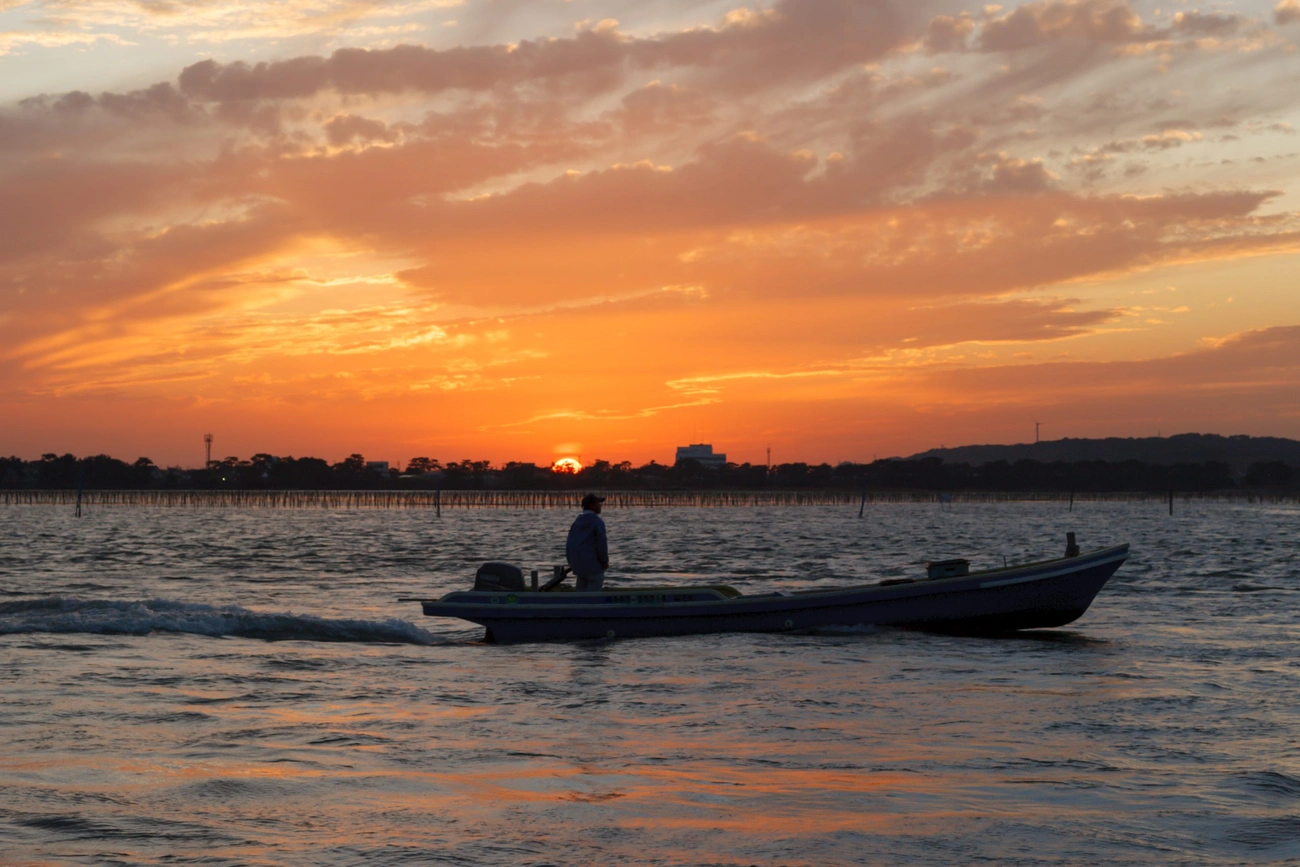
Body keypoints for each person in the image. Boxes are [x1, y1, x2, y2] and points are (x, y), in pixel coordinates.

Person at [565, 493, 609, 591]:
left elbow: (569, 544)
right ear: (592, 505)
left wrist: (572, 562)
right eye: (598, 503)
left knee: (580, 596)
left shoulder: (576, 522)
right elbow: (601, 544)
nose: (600, 505)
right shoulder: (597, 522)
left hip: (579, 566)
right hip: (594, 566)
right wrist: (604, 561)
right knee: (593, 596)